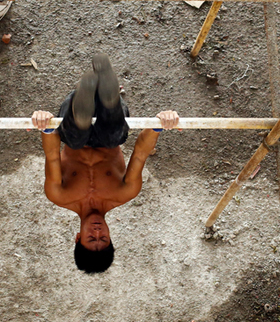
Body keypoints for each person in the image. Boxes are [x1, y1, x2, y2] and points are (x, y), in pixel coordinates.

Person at [31, 54, 180, 274]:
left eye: (91, 238)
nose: (98, 231)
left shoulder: (58, 195)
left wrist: (45, 125)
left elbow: (52, 153)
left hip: (73, 128)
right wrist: (160, 124)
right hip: (111, 130)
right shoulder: (125, 192)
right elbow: (140, 153)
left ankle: (85, 101)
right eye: (104, 237)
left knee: (74, 138)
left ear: (78, 237)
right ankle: (108, 99)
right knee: (113, 138)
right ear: (111, 236)